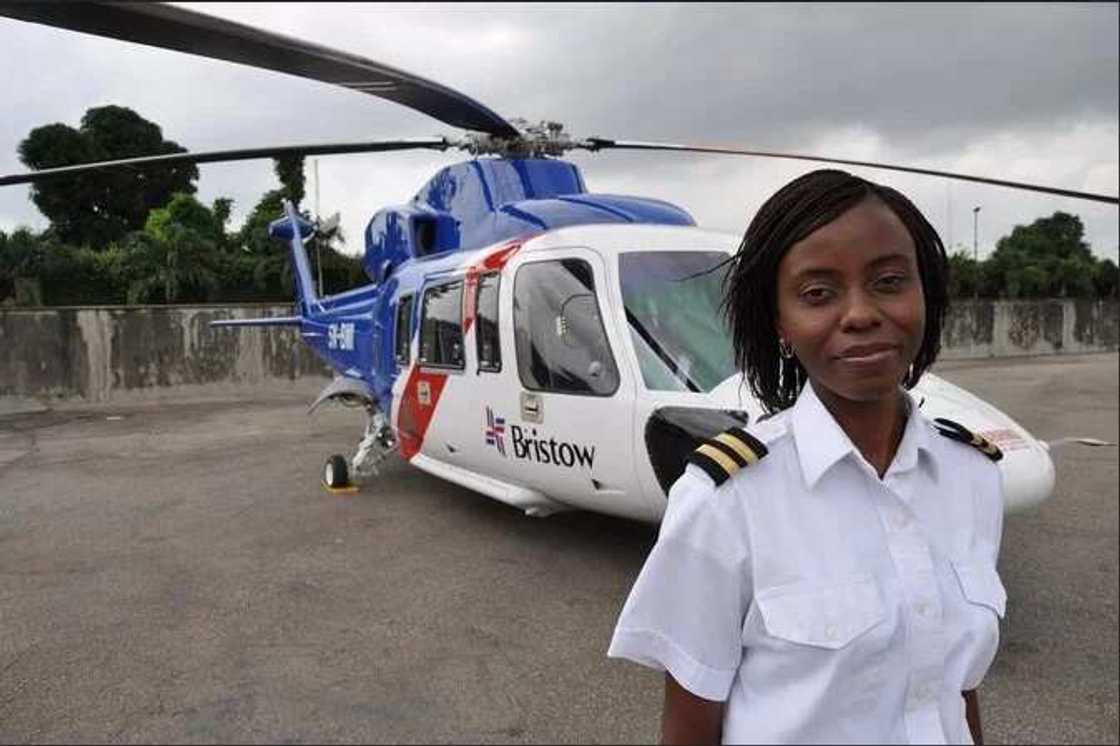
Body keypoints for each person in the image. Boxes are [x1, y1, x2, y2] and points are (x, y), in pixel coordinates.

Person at [608, 169, 1006, 745]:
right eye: (818, 293)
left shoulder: (973, 477)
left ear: (926, 293)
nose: (860, 313)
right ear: (781, 324)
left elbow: (955, 688)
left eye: (890, 281)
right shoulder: (726, 501)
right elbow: (689, 727)